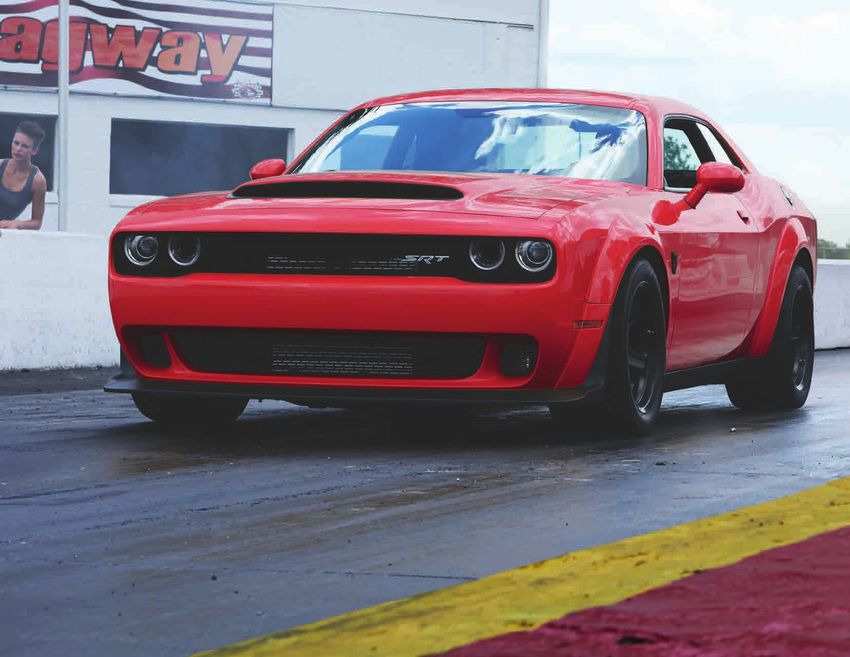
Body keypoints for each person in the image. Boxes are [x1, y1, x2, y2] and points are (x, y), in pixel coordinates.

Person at [0, 121, 48, 237]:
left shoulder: (38, 181)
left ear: (34, 150)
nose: (18, 149)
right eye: (16, 143)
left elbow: (37, 222)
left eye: (25, 146)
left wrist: (16, 224)